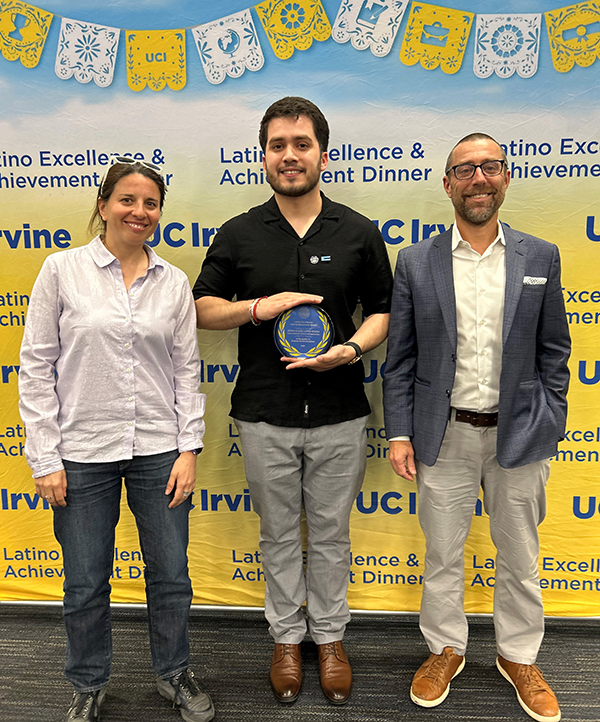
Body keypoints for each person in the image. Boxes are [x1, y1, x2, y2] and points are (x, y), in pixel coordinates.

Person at [193, 97, 392, 705]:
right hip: (263, 413)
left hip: (339, 413)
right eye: (277, 145)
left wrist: (351, 351)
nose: (289, 156)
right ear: (263, 157)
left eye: (301, 144)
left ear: (322, 155)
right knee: (279, 535)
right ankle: (286, 637)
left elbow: (383, 312)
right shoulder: (239, 233)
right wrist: (257, 308)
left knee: (331, 535)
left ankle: (329, 639)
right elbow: (201, 308)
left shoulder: (358, 232)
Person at [18, 159, 214, 722]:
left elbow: (185, 372)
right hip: (81, 454)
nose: (140, 212)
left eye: (151, 203)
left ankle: (174, 672)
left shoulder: (173, 282)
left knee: (171, 574)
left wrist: (188, 449)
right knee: (84, 579)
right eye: (128, 200)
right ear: (103, 205)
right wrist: (45, 457)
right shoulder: (61, 271)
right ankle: (87, 681)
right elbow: (36, 368)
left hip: (158, 450)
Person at [383, 133, 570, 721]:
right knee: (442, 554)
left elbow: (555, 351)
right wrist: (399, 431)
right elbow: (402, 357)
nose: (479, 178)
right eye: (465, 170)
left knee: (520, 555)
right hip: (445, 435)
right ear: (448, 184)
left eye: (490, 167)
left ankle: (518, 656)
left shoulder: (540, 256)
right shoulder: (416, 260)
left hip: (520, 434)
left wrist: (551, 416)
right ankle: (445, 647)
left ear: (507, 177)